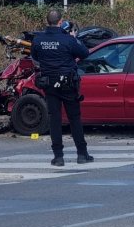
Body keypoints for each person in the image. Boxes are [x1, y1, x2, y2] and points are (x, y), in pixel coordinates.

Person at [31, 9, 93, 166]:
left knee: (55, 119)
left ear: (47, 21)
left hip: (49, 84)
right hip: (68, 83)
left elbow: (35, 57)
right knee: (74, 118)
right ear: (60, 21)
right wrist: (74, 39)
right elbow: (85, 53)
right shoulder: (68, 39)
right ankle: (82, 154)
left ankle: (58, 156)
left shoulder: (38, 40)